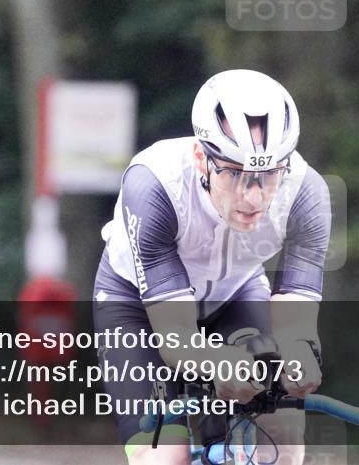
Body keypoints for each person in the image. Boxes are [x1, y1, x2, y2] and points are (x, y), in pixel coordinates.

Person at [93, 69, 331, 465]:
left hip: (235, 295)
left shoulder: (307, 194)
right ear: (202, 157)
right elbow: (174, 337)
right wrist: (219, 360)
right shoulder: (154, 186)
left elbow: (297, 322)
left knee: (284, 433)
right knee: (164, 457)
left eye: (269, 175)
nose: (252, 196)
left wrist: (300, 355)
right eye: (235, 173)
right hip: (136, 308)